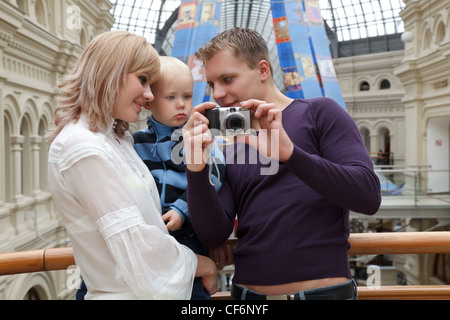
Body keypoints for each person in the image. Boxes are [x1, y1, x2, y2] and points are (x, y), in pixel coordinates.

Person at [182, 27, 381, 300]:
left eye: (227, 79)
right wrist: (195, 168)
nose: (217, 93)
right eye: (212, 84)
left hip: (324, 295)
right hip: (248, 297)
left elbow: (368, 196)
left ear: (263, 70)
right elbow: (213, 234)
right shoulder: (229, 147)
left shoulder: (320, 113)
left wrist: (290, 154)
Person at [47, 30, 217, 300]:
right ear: (111, 72)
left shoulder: (115, 139)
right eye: (142, 80)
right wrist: (203, 264)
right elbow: (136, 242)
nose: (149, 95)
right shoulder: (83, 147)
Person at [133, 56, 225, 300]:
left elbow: (215, 173)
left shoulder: (198, 135)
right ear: (149, 102)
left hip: (188, 237)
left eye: (187, 96)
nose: (182, 105)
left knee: (193, 295)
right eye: (171, 97)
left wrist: (181, 209)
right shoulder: (136, 142)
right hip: (151, 240)